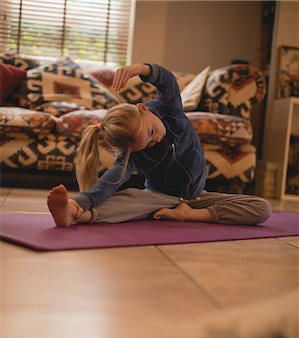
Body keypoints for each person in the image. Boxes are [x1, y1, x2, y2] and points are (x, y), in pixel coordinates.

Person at [47, 63, 271, 227]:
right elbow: (113, 179)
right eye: (147, 144)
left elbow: (167, 82)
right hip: (158, 197)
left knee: (262, 208)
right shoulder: (130, 153)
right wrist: (81, 202)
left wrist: (142, 69)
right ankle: (74, 214)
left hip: (197, 198)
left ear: (143, 108)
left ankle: (189, 215)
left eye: (152, 132)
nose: (155, 140)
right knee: (125, 201)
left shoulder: (169, 108)